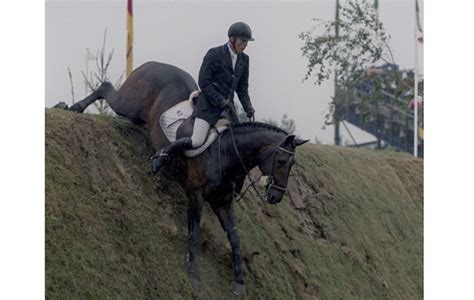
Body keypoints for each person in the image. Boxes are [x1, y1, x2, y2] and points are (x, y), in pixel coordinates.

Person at [152, 21, 256, 173]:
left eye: (247, 42)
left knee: (235, 143)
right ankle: (163, 153)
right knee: (197, 140)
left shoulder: (244, 60)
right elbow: (204, 82)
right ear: (232, 39)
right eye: (242, 41)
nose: (245, 45)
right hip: (208, 106)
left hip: (227, 109)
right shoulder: (214, 54)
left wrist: (248, 107)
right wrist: (219, 100)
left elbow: (242, 88)